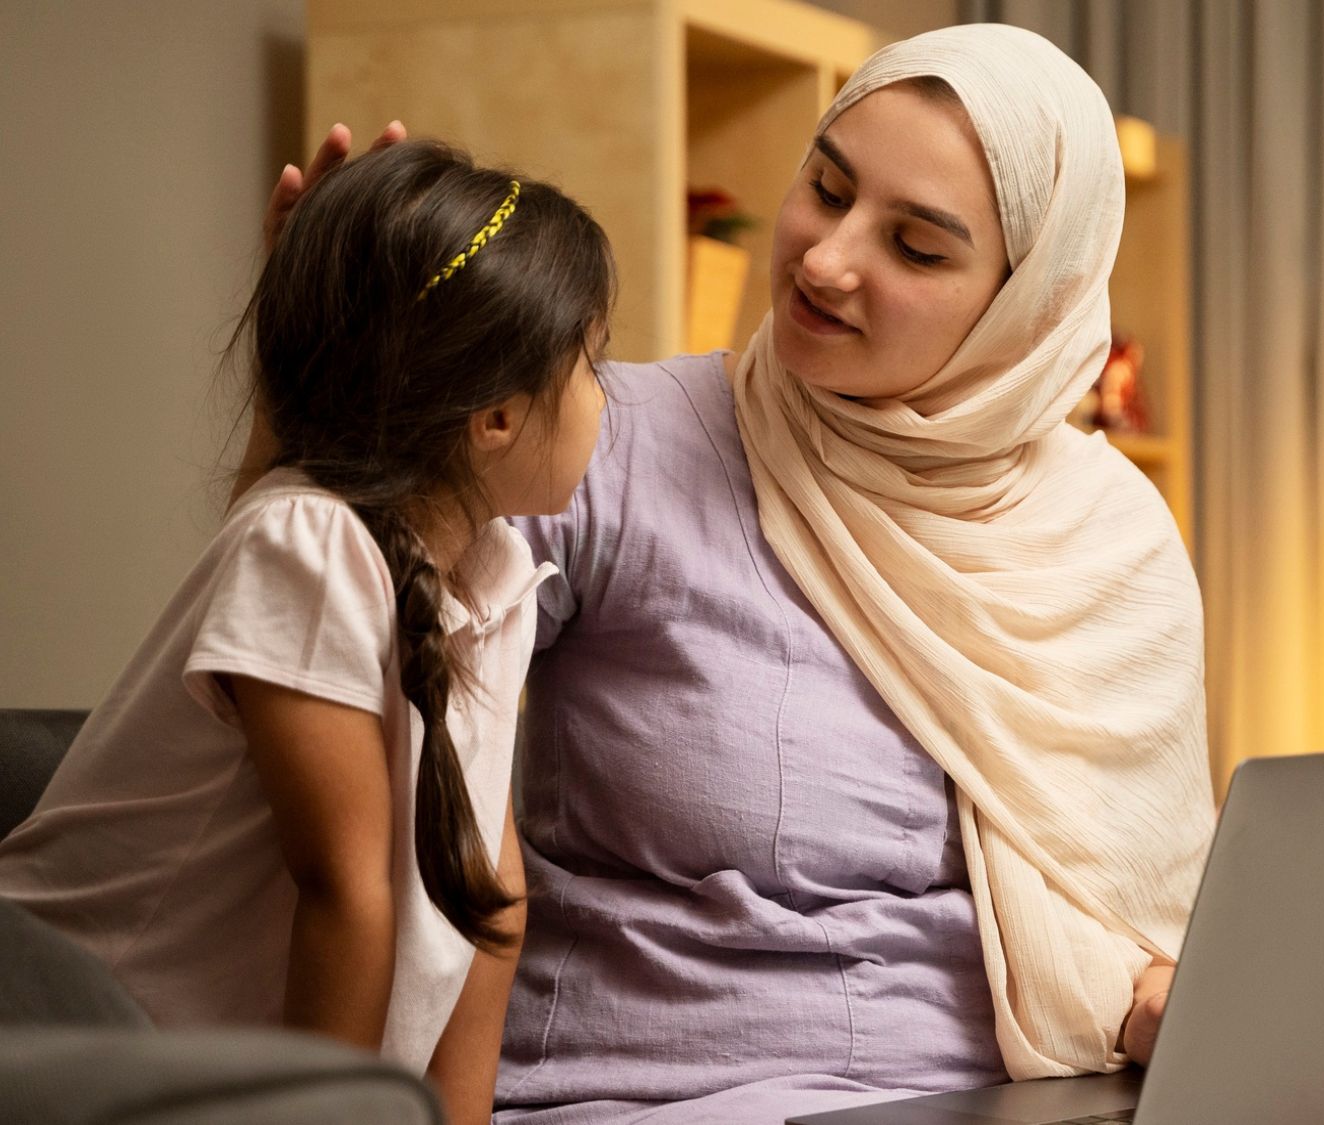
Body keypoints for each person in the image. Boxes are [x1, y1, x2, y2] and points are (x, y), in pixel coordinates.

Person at [269, 24, 1215, 1124]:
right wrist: (321, 370)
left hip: (1007, 1099)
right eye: (825, 186)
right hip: (653, 1095)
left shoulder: (1108, 536)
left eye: (914, 247)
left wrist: (1151, 997)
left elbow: (1120, 908)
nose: (822, 259)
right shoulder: (611, 440)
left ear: (1026, 310)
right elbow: (337, 608)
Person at [0, 140, 615, 1125]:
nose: (605, 398)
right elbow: (346, 886)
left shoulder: (493, 581)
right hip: (55, 1026)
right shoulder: (309, 541)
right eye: (593, 360)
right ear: (494, 417)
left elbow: (488, 906)